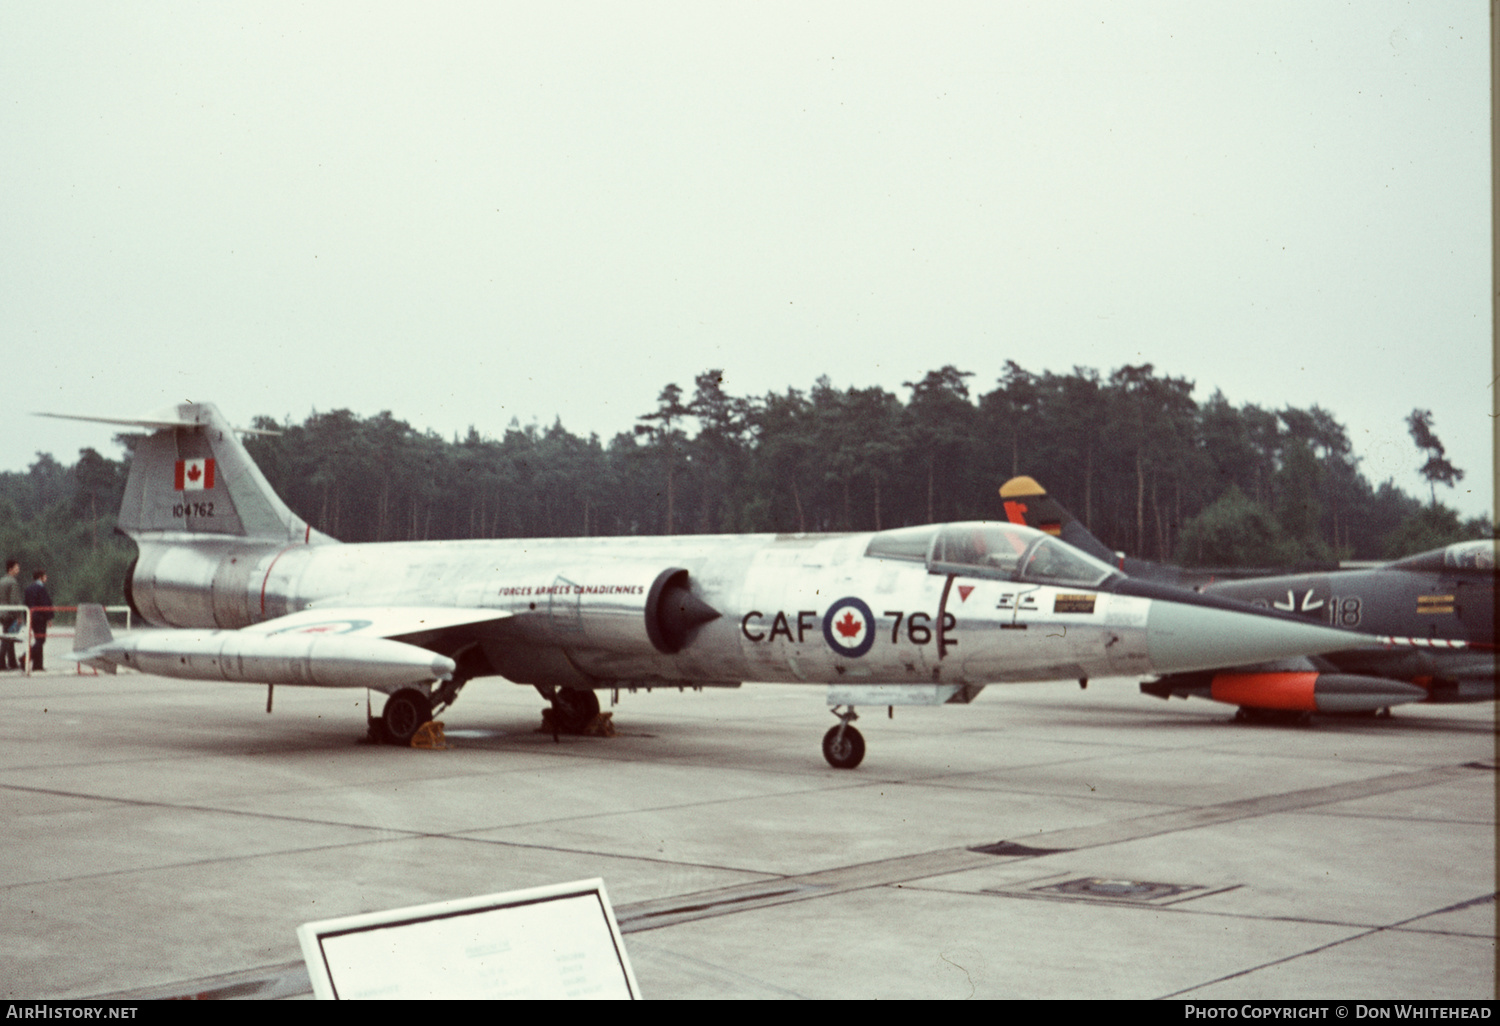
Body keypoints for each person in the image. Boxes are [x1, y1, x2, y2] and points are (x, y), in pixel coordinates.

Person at [23, 569, 53, 672]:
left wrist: (26, 618)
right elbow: (45, 604)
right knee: (41, 640)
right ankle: (25, 657)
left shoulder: (28, 588)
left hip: (31, 616)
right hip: (40, 617)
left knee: (38, 639)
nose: (46, 578)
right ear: (40, 577)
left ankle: (38, 665)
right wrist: (49, 617)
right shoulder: (41, 588)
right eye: (45, 576)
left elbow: (25, 603)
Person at [0, 560, 20, 670]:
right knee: (7, 639)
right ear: (10, 569)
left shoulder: (2, 581)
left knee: (9, 638)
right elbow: (14, 601)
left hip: (2, 612)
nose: (18, 570)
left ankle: (12, 662)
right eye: (16, 568)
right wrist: (19, 615)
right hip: (10, 614)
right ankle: (2, 662)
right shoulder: (12, 582)